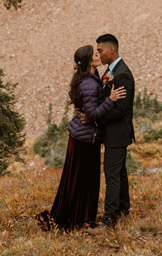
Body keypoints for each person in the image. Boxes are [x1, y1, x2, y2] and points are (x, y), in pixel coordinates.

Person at [37, 43, 127, 231]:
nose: (98, 56)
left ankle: (78, 216)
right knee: (84, 180)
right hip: (84, 139)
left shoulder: (90, 77)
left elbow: (89, 110)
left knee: (79, 179)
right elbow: (92, 113)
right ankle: (79, 219)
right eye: (95, 54)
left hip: (82, 137)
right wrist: (111, 100)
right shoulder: (88, 83)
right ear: (88, 61)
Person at [92, 32, 135, 230]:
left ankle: (109, 218)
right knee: (120, 172)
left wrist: (97, 119)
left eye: (100, 50)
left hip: (117, 133)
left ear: (112, 49)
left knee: (111, 174)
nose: (98, 54)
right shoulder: (110, 70)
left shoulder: (123, 74)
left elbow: (121, 110)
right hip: (116, 133)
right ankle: (124, 207)